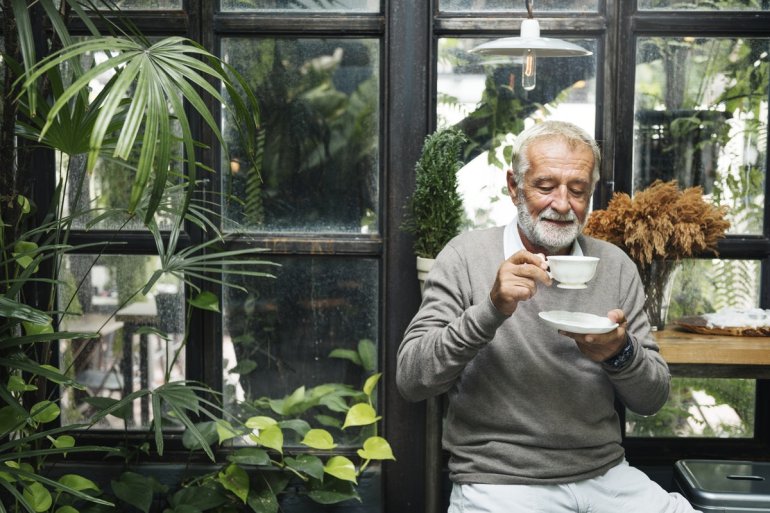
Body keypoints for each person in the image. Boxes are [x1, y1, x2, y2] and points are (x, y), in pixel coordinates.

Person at [396, 121, 699, 513]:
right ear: (513, 186)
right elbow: (411, 379)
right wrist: (490, 311)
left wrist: (620, 352)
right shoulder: (466, 257)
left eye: (577, 190)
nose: (562, 203)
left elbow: (653, 398)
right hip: (500, 480)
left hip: (604, 474)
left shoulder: (614, 265)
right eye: (545, 186)